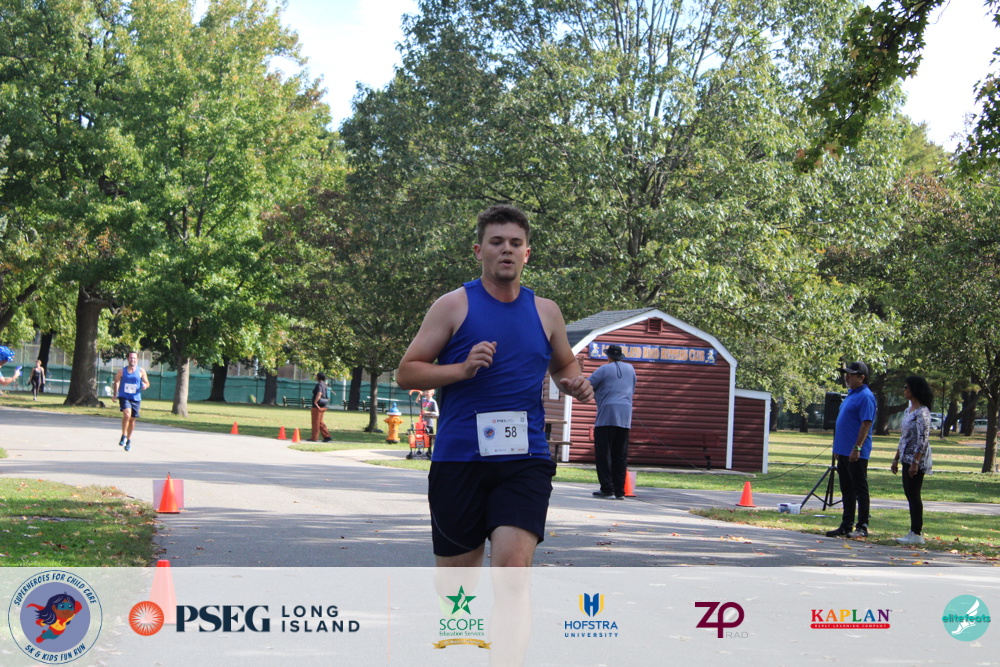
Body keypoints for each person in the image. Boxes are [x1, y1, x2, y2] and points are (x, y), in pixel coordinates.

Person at [397, 203, 594, 568]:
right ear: (479, 251)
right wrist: (462, 369)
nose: (507, 249)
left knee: (512, 571)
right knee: (459, 588)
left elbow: (564, 365)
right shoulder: (453, 306)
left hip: (525, 460)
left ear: (526, 254)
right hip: (459, 460)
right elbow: (407, 373)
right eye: (497, 242)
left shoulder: (546, 311)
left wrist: (574, 383)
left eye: (515, 243)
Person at [826, 361, 876, 539]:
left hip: (856, 452)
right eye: (846, 374)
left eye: (851, 375)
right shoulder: (851, 394)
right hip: (843, 450)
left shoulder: (866, 396)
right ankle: (846, 525)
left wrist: (857, 447)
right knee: (846, 489)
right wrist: (838, 448)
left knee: (859, 489)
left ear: (861, 377)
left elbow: (866, 423)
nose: (847, 377)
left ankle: (862, 527)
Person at [589, 344, 637, 499]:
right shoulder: (630, 369)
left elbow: (588, 384)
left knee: (604, 453)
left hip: (607, 414)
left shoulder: (604, 369)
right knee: (620, 454)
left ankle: (607, 489)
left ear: (608, 356)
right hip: (625, 415)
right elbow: (632, 388)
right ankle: (620, 491)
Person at [892, 375, 934, 545]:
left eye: (906, 387)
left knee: (914, 494)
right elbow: (904, 437)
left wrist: (916, 462)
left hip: (916, 460)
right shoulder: (908, 411)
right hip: (906, 457)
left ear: (914, 390)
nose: (904, 390)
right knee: (909, 494)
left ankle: (917, 533)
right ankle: (913, 531)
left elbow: (923, 439)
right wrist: (896, 458)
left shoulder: (922, 412)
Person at [113, 351, 150, 452]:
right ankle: (124, 435)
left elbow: (147, 383)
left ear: (137, 359)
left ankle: (129, 440)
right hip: (124, 397)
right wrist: (115, 394)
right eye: (130, 358)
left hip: (136, 398)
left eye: (134, 358)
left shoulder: (141, 371)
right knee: (127, 414)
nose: (132, 360)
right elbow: (116, 381)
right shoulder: (122, 371)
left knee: (132, 419)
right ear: (128, 359)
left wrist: (145, 385)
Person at [311, 372, 332, 443]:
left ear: (318, 377)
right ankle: (327, 436)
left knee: (315, 422)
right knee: (320, 422)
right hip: (323, 405)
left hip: (317, 407)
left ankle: (314, 437)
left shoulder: (319, 385)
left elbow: (319, 393)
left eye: (316, 376)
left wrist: (315, 402)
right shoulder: (324, 385)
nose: (315, 377)